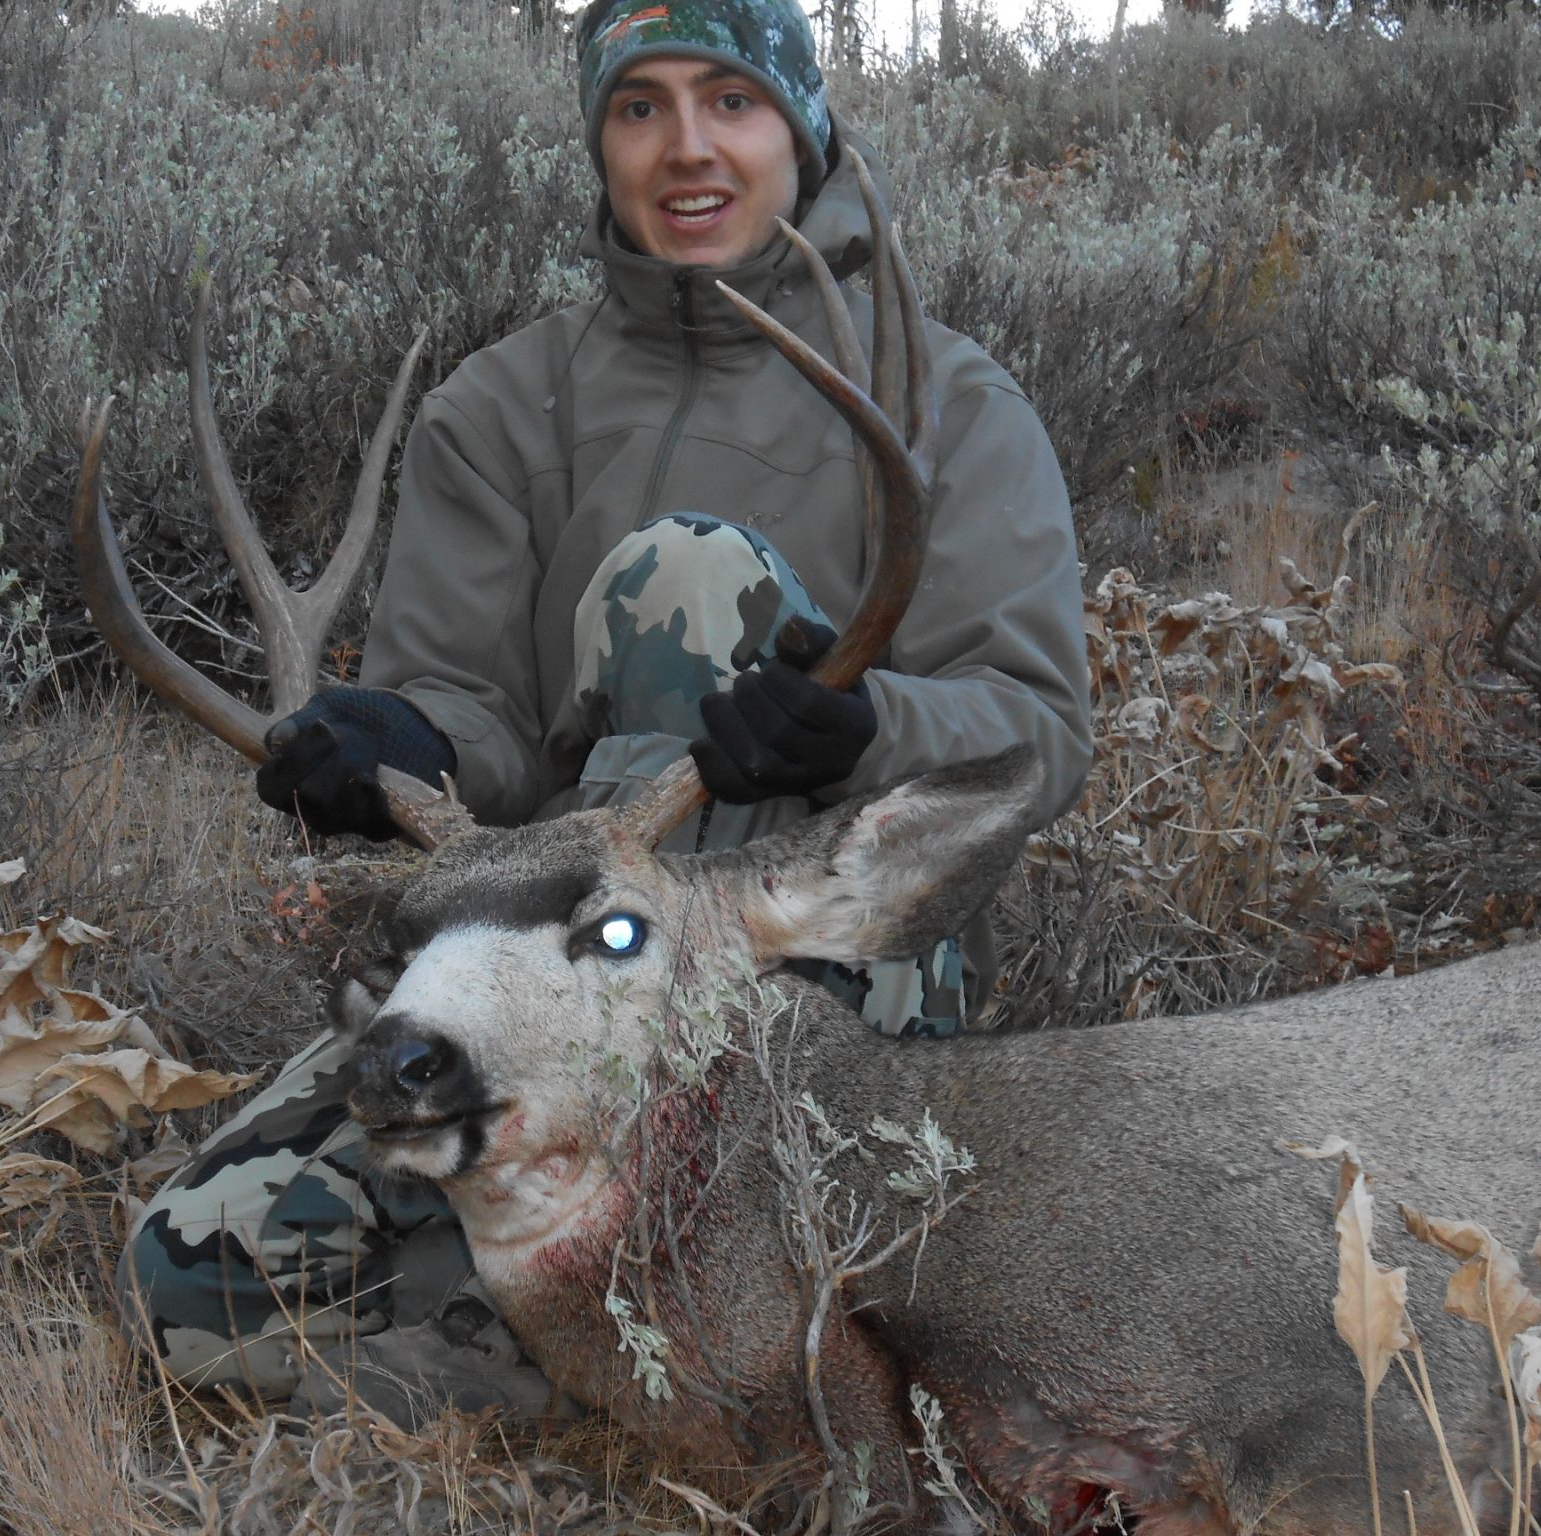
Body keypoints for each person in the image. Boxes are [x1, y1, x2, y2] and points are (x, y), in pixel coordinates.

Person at [119, 0, 1091, 1425]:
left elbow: (1037, 730)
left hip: (814, 960)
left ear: (801, 126)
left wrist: (866, 727)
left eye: (731, 102)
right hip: (551, 963)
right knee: (190, 1272)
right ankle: (621, 1354)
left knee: (689, 577)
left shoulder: (950, 399)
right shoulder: (502, 406)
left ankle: (634, 1305)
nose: (687, 149)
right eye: (640, 108)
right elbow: (476, 718)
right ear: (599, 143)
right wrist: (399, 747)